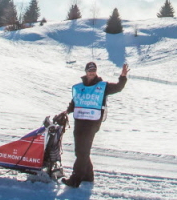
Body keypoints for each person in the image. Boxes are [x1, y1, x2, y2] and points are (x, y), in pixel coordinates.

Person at [55, 60, 128, 188]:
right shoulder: (79, 87)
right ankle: (88, 176)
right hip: (80, 121)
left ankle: (75, 179)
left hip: (92, 123)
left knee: (83, 151)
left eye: (94, 71)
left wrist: (123, 76)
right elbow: (75, 101)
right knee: (80, 150)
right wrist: (67, 111)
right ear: (86, 72)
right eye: (90, 71)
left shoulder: (102, 86)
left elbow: (118, 87)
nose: (92, 73)